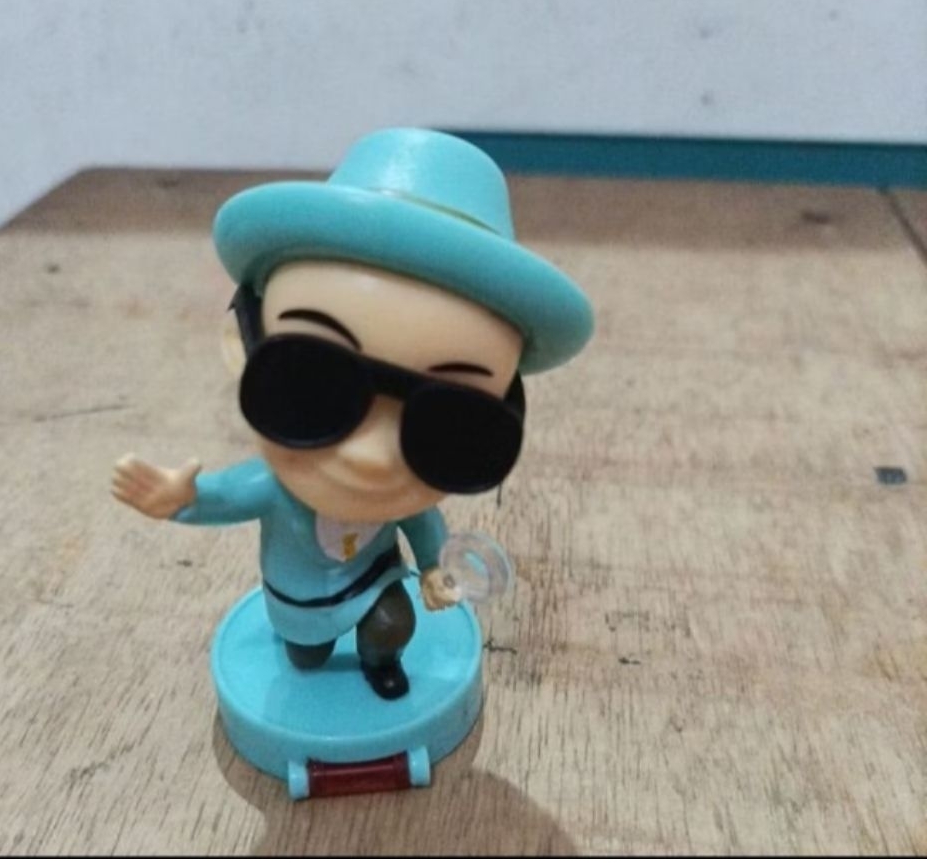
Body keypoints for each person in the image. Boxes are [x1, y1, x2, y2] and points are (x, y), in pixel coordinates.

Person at [112, 128, 592, 700]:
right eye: (314, 383)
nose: (371, 457)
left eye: (451, 423)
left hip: (373, 580)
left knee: (392, 621)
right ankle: (310, 646)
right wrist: (182, 500)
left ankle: (380, 660)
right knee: (304, 652)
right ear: (242, 346)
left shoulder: (401, 501)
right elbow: (226, 496)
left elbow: (424, 526)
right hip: (298, 596)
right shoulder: (274, 489)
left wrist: (435, 569)